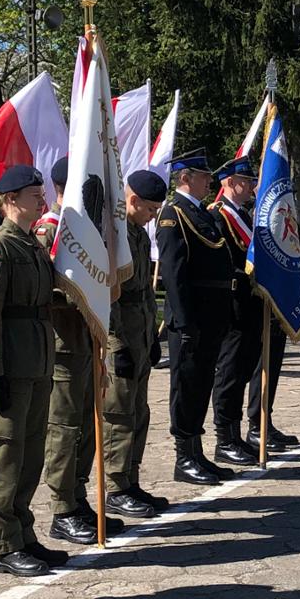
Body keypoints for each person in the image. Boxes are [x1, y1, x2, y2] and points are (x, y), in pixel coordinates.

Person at [0, 164, 70, 577]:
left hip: (37, 359)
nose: (42, 202)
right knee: (5, 456)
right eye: (34, 195)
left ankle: (24, 534)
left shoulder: (29, 244)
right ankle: (3, 543)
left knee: (29, 454)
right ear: (11, 200)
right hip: (11, 362)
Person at [38, 160, 136, 543]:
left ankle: (78, 499)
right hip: (64, 347)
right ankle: (62, 508)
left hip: (86, 345)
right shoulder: (50, 231)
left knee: (83, 429)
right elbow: (48, 292)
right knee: (63, 430)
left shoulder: (86, 233)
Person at [156, 153, 238, 485]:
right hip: (191, 318)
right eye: (204, 176)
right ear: (186, 177)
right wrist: (185, 321)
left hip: (211, 316)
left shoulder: (201, 214)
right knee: (186, 387)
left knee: (202, 383)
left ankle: (197, 451)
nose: (210, 182)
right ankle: (183, 456)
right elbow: (174, 274)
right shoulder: (173, 215)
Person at [102, 171, 170, 516]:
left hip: (141, 335)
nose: (154, 216)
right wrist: (117, 345)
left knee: (139, 412)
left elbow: (145, 292)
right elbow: (110, 296)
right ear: (133, 201)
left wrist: (153, 339)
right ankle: (114, 486)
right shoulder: (113, 235)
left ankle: (131, 478)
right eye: (151, 209)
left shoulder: (140, 236)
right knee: (118, 414)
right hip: (122, 340)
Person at [206, 158, 265, 468]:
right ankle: (224, 438)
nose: (251, 186)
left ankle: (235, 432)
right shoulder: (218, 216)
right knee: (229, 372)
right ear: (228, 182)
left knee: (243, 371)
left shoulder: (245, 215)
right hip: (233, 305)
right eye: (245, 180)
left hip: (250, 303)